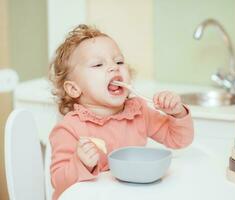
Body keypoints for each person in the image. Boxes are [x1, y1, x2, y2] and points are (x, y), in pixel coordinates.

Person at [49, 24, 194, 200]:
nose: (114, 67)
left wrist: (177, 113)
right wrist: (80, 163)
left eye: (119, 62)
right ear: (74, 89)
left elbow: (179, 140)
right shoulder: (69, 129)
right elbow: (58, 181)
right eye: (98, 64)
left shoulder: (139, 112)